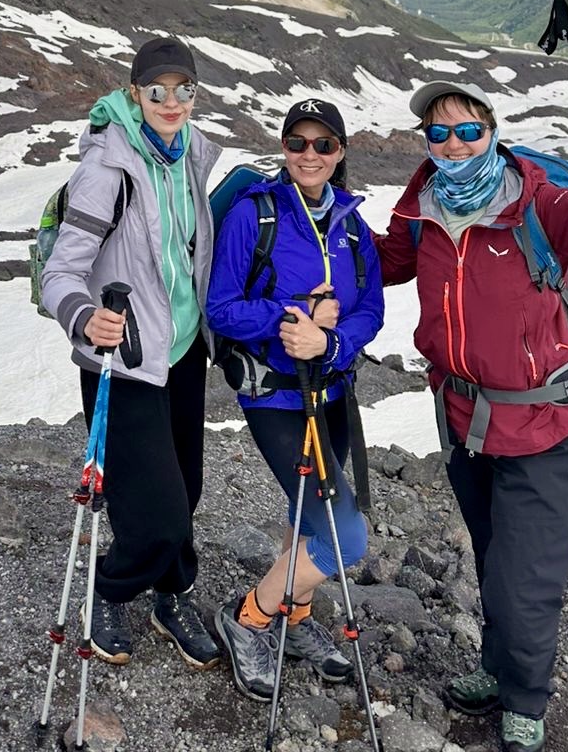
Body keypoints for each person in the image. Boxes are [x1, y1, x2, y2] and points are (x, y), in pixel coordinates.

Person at [375, 80, 568, 752]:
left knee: (526, 580)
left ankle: (526, 703)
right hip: (462, 419)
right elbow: (384, 261)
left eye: (467, 130)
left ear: (493, 132)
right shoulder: (422, 207)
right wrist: (311, 233)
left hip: (541, 427)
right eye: (439, 134)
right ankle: (495, 667)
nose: (452, 144)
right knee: (491, 556)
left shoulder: (532, 198)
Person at [40, 35, 222, 670]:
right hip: (123, 360)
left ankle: (172, 597)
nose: (171, 101)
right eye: (157, 90)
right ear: (133, 93)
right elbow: (58, 275)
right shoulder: (105, 171)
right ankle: (107, 592)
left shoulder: (192, 157)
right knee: (160, 514)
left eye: (183, 90)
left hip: (181, 355)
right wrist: (86, 318)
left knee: (187, 489)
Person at [206, 98, 385, 701]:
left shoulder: (353, 225)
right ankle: (250, 618)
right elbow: (221, 307)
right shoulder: (255, 216)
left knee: (304, 513)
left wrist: (331, 340)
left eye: (324, 145)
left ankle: (297, 616)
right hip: (276, 396)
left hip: (331, 392)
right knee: (345, 536)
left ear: (340, 154)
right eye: (297, 143)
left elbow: (370, 311)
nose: (310, 155)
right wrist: (293, 317)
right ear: (284, 148)